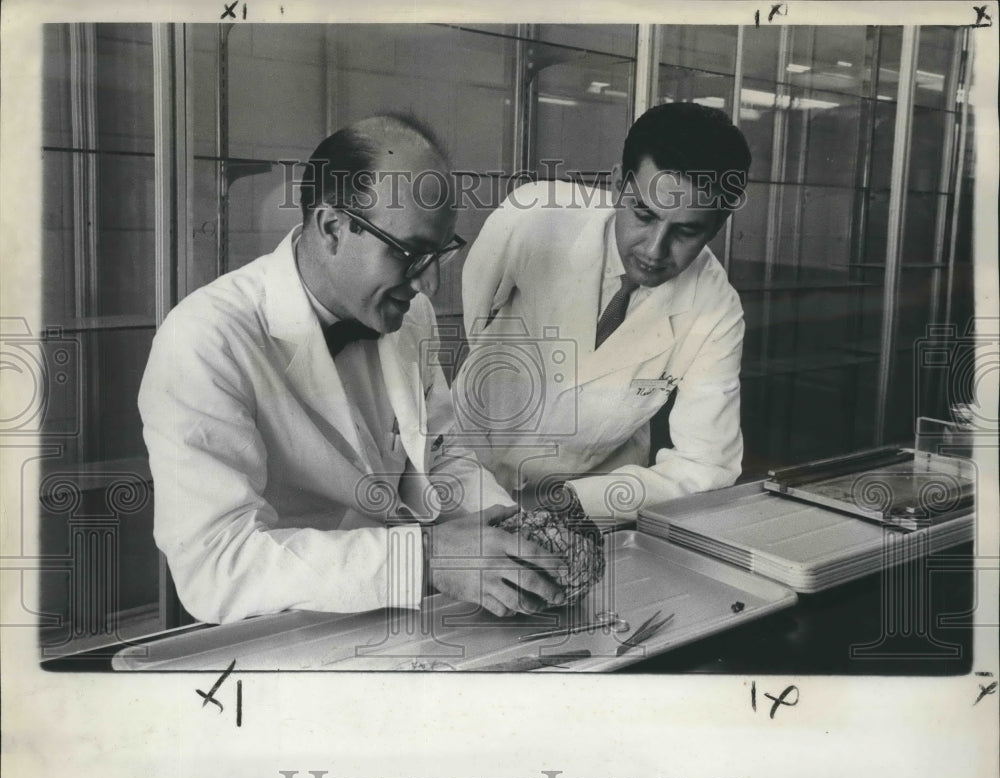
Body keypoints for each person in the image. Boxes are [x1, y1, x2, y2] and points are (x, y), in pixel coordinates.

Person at [138, 115, 566, 624]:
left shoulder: (410, 315)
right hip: (283, 626)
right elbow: (218, 565)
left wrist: (507, 536)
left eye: (440, 253)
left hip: (397, 605)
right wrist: (427, 557)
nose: (428, 285)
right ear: (332, 228)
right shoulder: (206, 339)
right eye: (409, 253)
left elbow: (442, 454)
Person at [453, 103, 752, 521]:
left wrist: (573, 503)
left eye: (686, 231)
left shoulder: (715, 309)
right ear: (618, 184)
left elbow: (704, 466)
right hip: (466, 467)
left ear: (717, 226)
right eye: (643, 214)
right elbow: (475, 320)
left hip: (594, 499)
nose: (654, 250)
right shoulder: (533, 217)